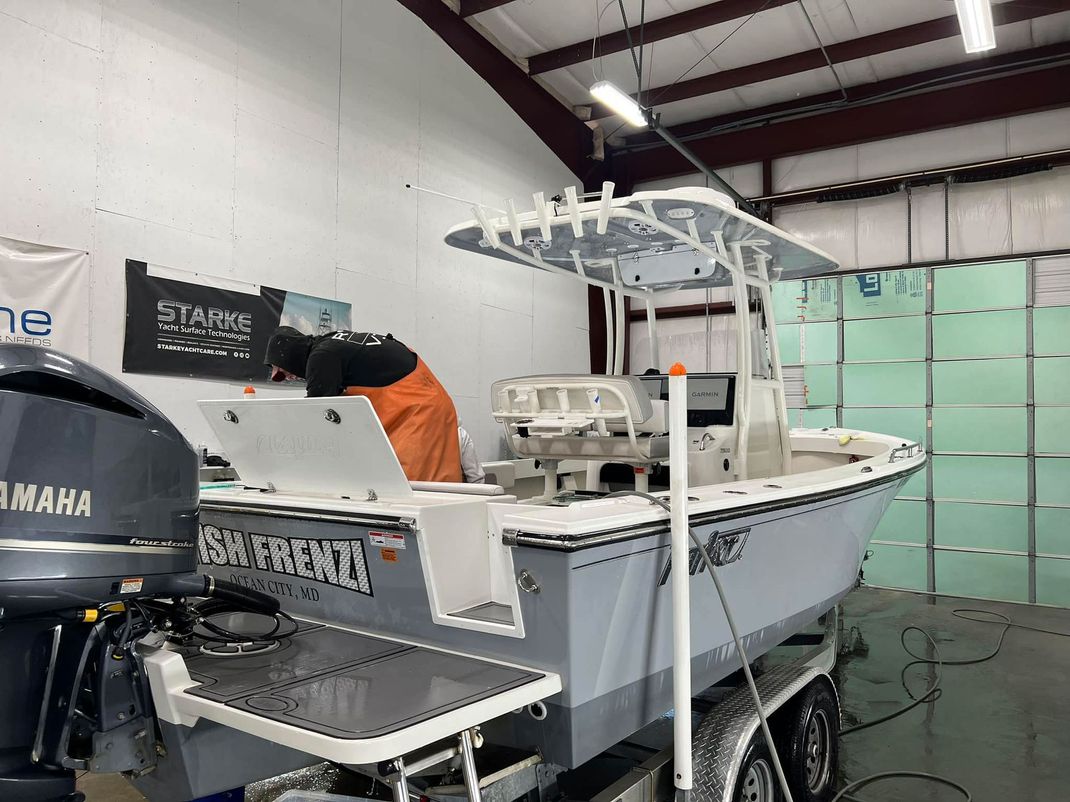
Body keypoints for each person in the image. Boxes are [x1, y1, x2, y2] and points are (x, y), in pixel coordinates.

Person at [264, 327, 462, 483]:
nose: (284, 377)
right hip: (428, 402)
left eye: (281, 372)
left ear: (290, 356)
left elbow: (316, 420)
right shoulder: (333, 343)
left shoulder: (321, 355)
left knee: (411, 489)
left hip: (420, 411)